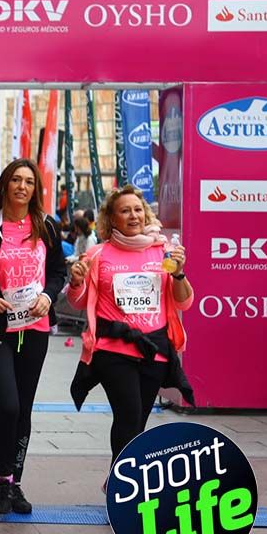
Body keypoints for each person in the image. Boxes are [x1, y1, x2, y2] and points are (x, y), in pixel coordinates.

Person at [67, 185, 193, 468]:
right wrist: (75, 281)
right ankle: (123, 485)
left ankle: (121, 480)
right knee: (128, 414)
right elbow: (78, 302)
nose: (133, 215)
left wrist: (180, 274)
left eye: (138, 209)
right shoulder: (98, 254)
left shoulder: (165, 252)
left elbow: (184, 302)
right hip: (114, 350)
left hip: (155, 350)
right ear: (112, 219)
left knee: (139, 420)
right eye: (125, 210)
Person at [0, 159, 66, 516]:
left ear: (35, 189)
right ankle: (1, 478)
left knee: (24, 409)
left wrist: (48, 295)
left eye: (29, 181)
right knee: (8, 405)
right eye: (16, 180)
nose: (22, 187)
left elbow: (57, 271)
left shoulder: (46, 226)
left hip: (35, 328)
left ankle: (14, 483)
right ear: (5, 185)